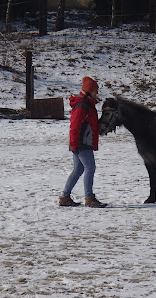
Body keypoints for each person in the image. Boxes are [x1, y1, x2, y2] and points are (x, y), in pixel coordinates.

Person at [59, 76, 107, 208]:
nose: (96, 93)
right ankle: (89, 197)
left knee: (78, 169)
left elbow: (90, 124)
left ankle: (65, 197)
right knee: (90, 168)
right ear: (88, 91)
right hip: (81, 143)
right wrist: (75, 144)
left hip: (81, 142)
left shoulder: (88, 105)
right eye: (95, 90)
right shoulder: (82, 106)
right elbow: (74, 126)